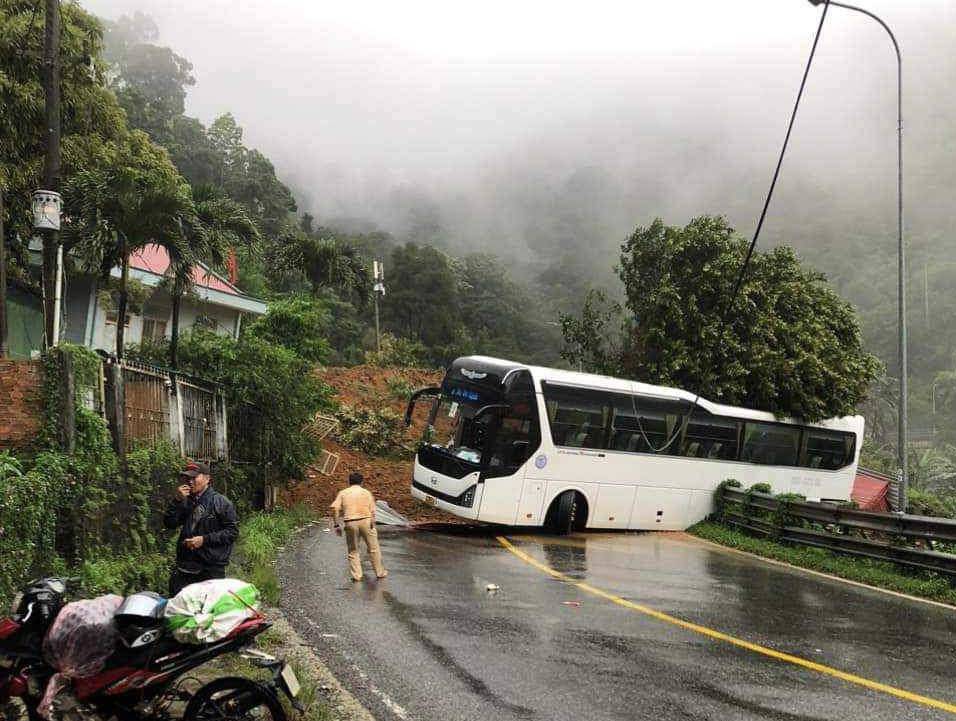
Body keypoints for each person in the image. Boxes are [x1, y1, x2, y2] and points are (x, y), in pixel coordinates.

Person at [163, 461, 239, 596]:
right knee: (179, 607)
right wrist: (176, 501)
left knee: (208, 610)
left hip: (210, 568)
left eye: (194, 477)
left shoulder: (221, 502)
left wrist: (204, 540)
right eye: (187, 478)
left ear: (207, 479)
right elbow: (170, 523)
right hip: (186, 565)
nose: (190, 481)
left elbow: (232, 532)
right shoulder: (185, 500)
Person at [330, 472, 388, 582]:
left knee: (353, 550)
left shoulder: (343, 493)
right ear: (362, 482)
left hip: (350, 522)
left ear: (349, 482)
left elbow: (335, 509)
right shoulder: (366, 493)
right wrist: (372, 524)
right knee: (373, 548)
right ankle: (380, 572)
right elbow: (373, 511)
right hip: (366, 520)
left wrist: (337, 525)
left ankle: (357, 575)